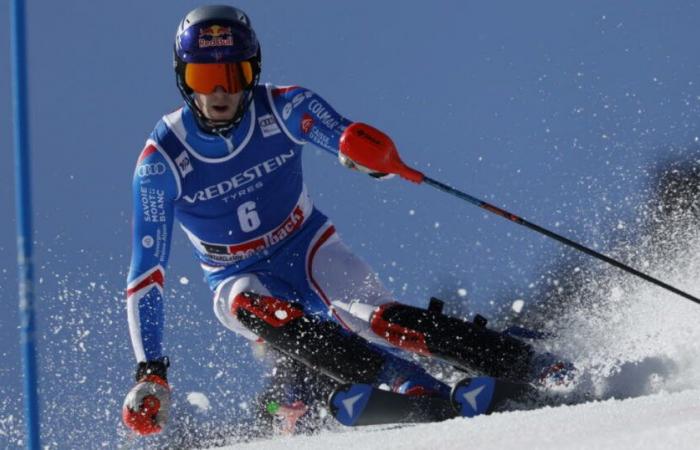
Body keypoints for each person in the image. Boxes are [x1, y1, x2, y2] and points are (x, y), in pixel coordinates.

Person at [122, 5, 552, 436]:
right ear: (184, 79)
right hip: (237, 274)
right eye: (204, 78)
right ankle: (414, 386)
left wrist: (365, 152)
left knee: (378, 320)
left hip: (307, 246)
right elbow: (147, 274)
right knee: (259, 310)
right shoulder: (162, 162)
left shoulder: (282, 106)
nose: (221, 93)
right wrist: (151, 372)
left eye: (234, 76)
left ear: (253, 72)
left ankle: (528, 363)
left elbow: (338, 133)